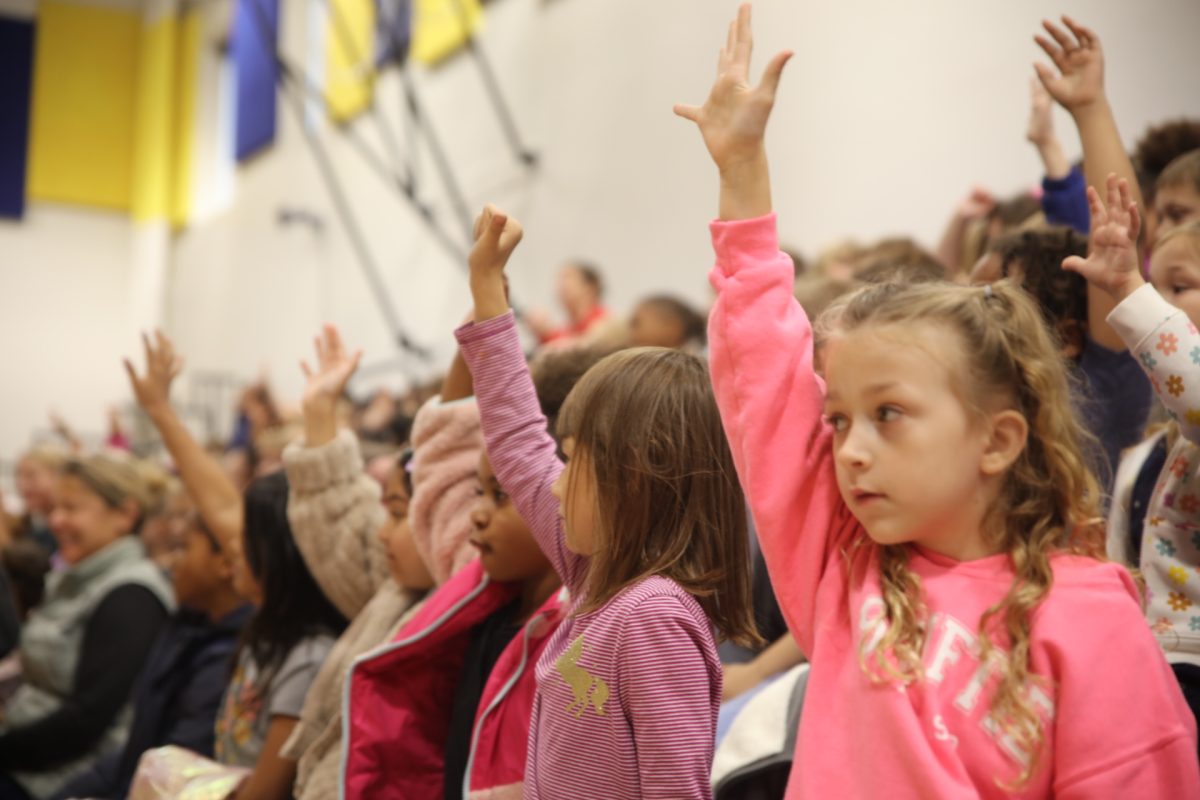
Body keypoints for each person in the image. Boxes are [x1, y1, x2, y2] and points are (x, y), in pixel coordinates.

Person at [676, 5, 1199, 795]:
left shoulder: (1093, 621)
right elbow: (767, 383)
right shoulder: (844, 569)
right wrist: (742, 178)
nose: (849, 450)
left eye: (888, 415)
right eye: (839, 420)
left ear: (997, 440)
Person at [456, 204, 758, 798]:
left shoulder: (654, 618)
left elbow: (675, 789)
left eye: (574, 462)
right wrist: (487, 290)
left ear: (639, 478)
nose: (557, 482)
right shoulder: (596, 577)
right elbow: (518, 440)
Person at [125, 335, 345, 800]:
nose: (231, 550)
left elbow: (261, 795)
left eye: (245, 543)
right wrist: (161, 412)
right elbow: (224, 509)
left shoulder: (308, 660)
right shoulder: (267, 630)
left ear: (281, 556)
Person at [0, 453, 175, 800]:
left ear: (124, 515)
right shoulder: (76, 577)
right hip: (26, 756)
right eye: (55, 509)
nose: (56, 521)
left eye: (72, 508)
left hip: (65, 778)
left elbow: (85, 723)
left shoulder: (132, 595)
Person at [51, 506, 252, 800]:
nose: (170, 562)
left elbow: (174, 775)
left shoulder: (227, 655)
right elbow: (136, 753)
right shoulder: (186, 624)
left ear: (225, 564)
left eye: (183, 547)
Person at [1099, 214, 1200, 747]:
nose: (1161, 303)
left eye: (1178, 288)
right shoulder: (1157, 445)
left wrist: (1129, 291)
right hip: (1167, 649)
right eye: (1154, 285)